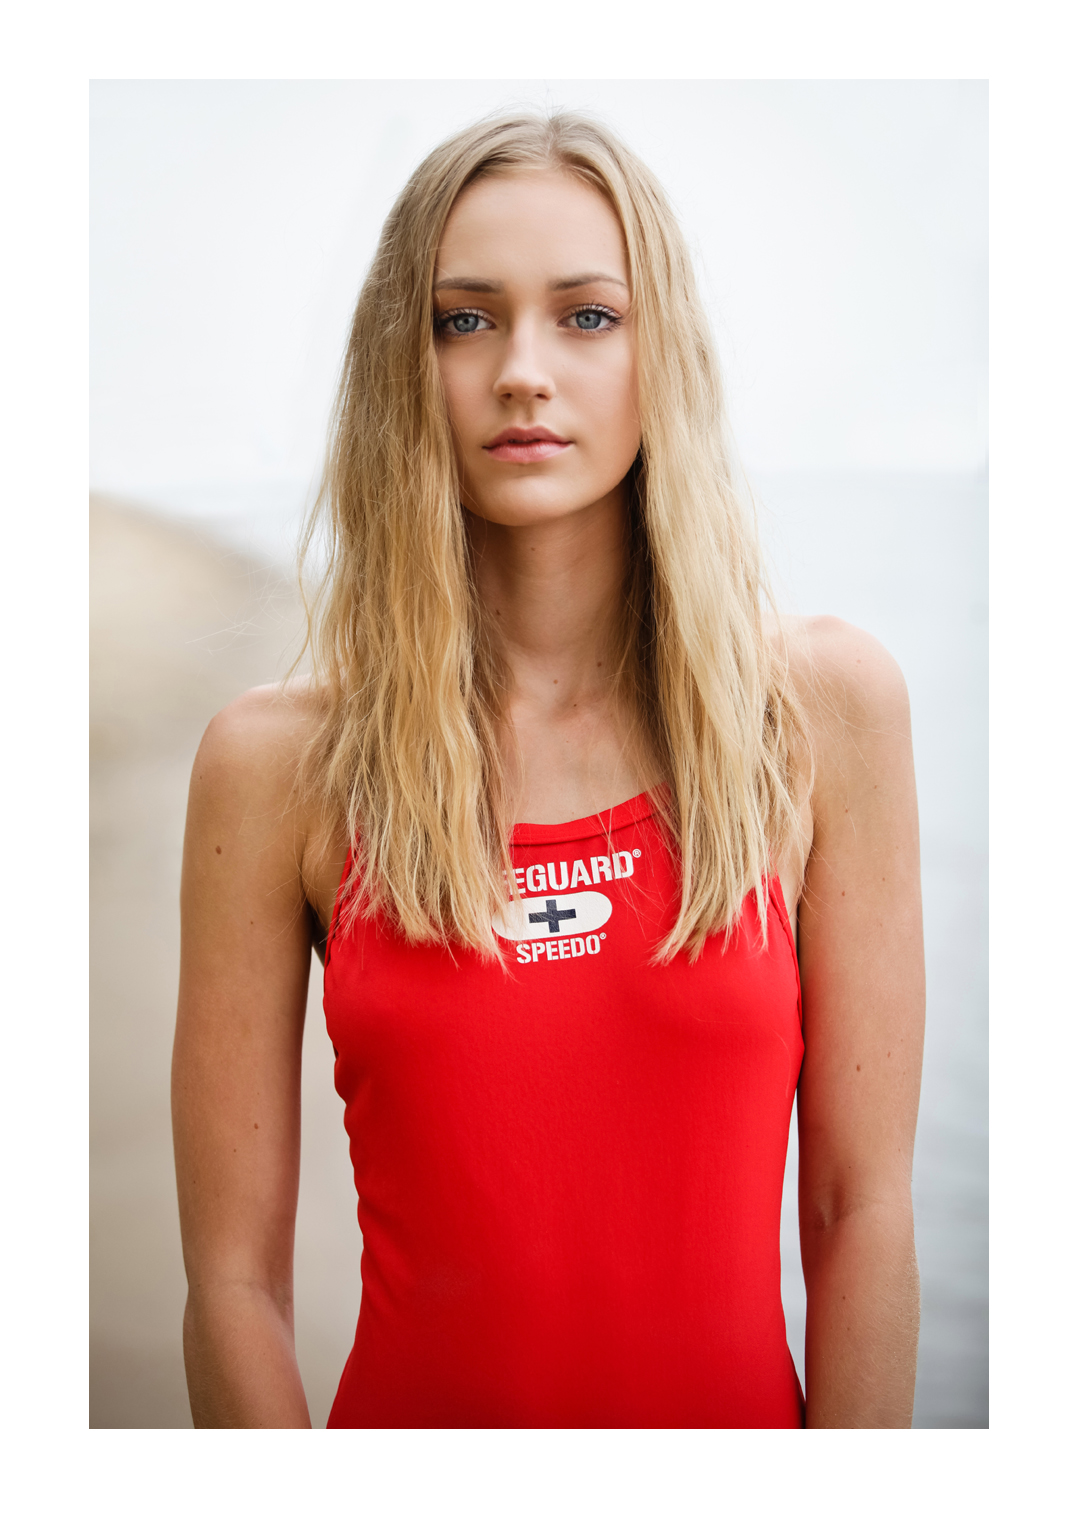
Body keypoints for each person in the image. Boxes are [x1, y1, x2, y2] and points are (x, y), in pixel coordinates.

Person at [171, 110, 925, 1429]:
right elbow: (233, 1281)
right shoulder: (278, 763)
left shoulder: (819, 713)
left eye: (586, 316)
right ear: (401, 364)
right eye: (465, 320)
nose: (524, 370)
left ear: (663, 353)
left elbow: (862, 1218)